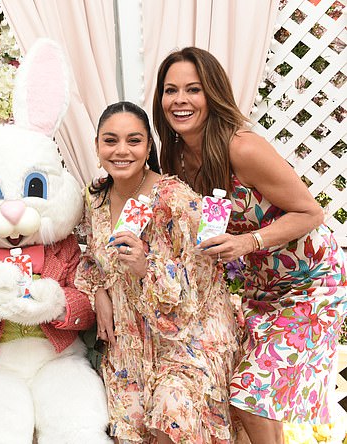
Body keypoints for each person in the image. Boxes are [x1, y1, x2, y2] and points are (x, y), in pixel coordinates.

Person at [152, 46, 347, 444]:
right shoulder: (176, 158)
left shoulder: (242, 147)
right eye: (170, 91)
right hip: (261, 290)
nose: (180, 100)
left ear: (213, 94)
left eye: (193, 89)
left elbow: (311, 213)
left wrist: (248, 241)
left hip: (311, 286)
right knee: (254, 399)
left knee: (250, 397)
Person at [75, 101, 240, 443]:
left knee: (170, 413)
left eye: (134, 141)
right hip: (130, 341)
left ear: (149, 146)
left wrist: (145, 267)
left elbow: (205, 276)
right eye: (111, 140)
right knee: (129, 427)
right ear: (96, 146)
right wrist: (100, 292)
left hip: (188, 337)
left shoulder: (174, 198)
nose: (122, 150)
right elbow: (92, 259)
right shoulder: (94, 199)